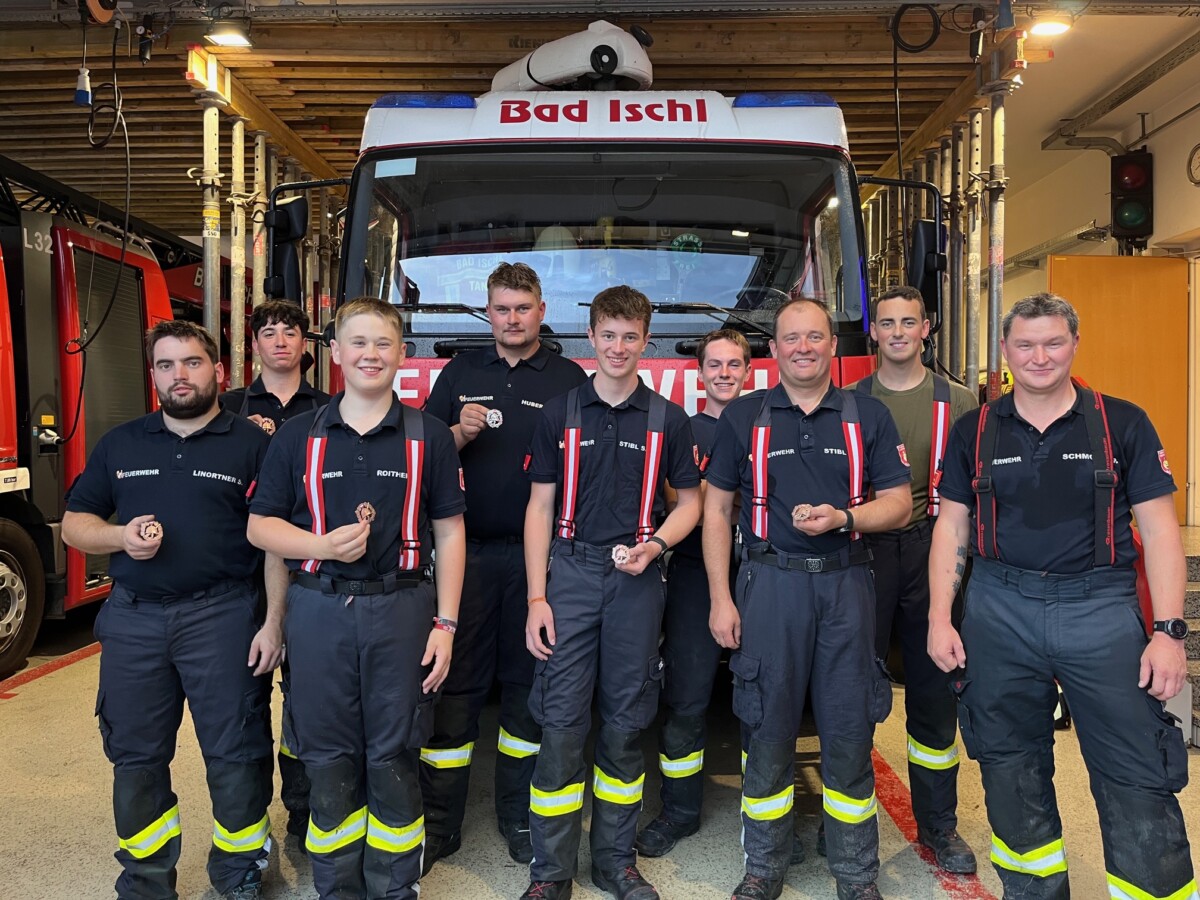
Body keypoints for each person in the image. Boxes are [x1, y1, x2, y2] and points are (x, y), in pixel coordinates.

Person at [928, 292, 1196, 900]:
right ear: (1005, 350)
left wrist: (1169, 633)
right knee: (1009, 766)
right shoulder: (974, 429)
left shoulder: (1122, 423)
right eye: (1025, 344)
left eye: (1053, 342)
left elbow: (1160, 531)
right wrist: (941, 617)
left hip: (1100, 611)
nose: (1039, 356)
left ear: (1075, 343)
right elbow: (952, 527)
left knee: (1135, 769)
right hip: (998, 609)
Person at [247, 297, 467, 900]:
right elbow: (260, 526)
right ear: (336, 352)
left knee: (395, 752)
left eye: (383, 343)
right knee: (327, 756)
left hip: (403, 610)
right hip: (318, 610)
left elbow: (450, 532)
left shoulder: (430, 437)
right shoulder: (299, 436)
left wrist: (446, 624)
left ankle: (395, 887)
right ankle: (338, 888)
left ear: (402, 354)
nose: (371, 354)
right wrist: (320, 545)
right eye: (359, 343)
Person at [63, 320, 280, 900]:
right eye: (165, 365)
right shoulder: (121, 444)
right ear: (153, 375)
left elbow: (277, 544)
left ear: (219, 371)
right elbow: (76, 524)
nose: (179, 376)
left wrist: (274, 623)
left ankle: (239, 872)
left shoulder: (253, 446)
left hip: (223, 615)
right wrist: (120, 538)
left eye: (191, 362)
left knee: (236, 752)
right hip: (134, 620)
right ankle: (146, 881)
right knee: (135, 756)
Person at [705, 297, 912, 900]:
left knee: (849, 731)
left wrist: (845, 517)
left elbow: (900, 504)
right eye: (791, 338)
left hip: (846, 585)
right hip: (770, 587)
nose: (803, 348)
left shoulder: (868, 415)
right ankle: (764, 867)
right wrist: (720, 598)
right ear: (773, 349)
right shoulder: (743, 417)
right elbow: (716, 510)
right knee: (766, 726)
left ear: (832, 346)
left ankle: (856, 873)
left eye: (815, 337)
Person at [520, 286, 702, 900]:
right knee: (561, 725)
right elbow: (539, 508)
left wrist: (658, 545)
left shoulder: (668, 419)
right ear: (590, 336)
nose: (618, 347)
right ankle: (550, 873)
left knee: (626, 724)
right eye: (608, 335)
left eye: (630, 336)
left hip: (636, 579)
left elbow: (691, 503)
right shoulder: (559, 413)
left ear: (645, 340)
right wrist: (537, 598)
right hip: (569, 576)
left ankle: (615, 863)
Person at [420, 262, 588, 870]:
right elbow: (421, 453)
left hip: (539, 564)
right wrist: (458, 434)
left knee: (525, 691)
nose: (512, 319)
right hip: (464, 557)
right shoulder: (460, 373)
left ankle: (518, 817)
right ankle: (441, 825)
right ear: (487, 314)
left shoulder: (569, 378)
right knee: (454, 690)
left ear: (541, 311)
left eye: (522, 308)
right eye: (501, 309)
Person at [849, 286, 978, 874]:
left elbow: (973, 490)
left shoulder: (960, 401)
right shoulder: (850, 400)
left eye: (908, 322)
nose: (898, 332)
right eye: (887, 323)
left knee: (933, 692)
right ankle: (846, 821)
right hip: (863, 553)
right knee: (851, 690)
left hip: (933, 552)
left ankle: (938, 825)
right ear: (873, 332)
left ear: (926, 328)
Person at [634, 328, 751, 859]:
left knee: (764, 699)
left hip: (758, 571)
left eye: (734, 364)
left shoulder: (762, 423)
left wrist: (709, 494)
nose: (724, 374)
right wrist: (719, 495)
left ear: (748, 370)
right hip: (693, 574)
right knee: (686, 696)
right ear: (699, 373)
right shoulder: (682, 428)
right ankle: (678, 812)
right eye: (715, 365)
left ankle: (765, 816)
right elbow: (678, 501)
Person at [221, 298, 330, 842]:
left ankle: (302, 808)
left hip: (309, 569)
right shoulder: (228, 409)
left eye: (290, 331)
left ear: (305, 343)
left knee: (305, 700)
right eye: (269, 332)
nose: (280, 340)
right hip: (239, 576)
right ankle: (248, 816)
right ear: (255, 343)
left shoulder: (330, 408)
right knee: (245, 701)